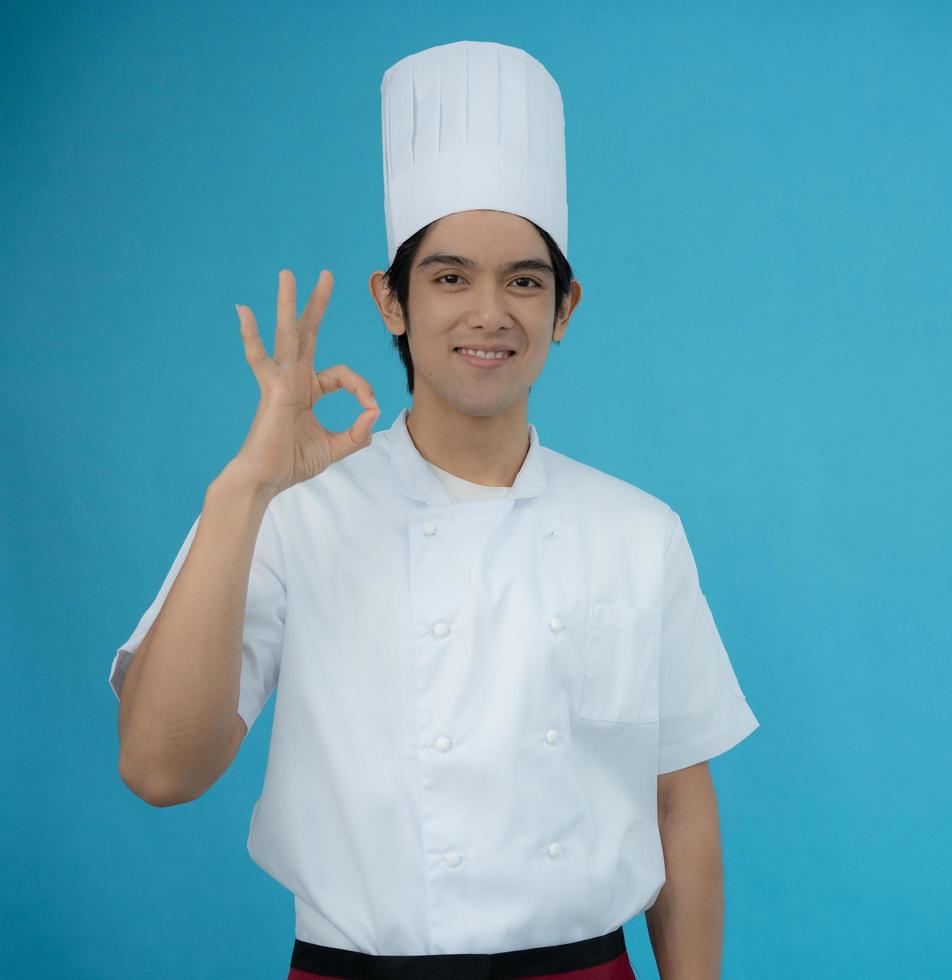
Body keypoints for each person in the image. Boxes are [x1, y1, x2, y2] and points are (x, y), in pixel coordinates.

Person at [109, 40, 758, 979]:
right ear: (393, 301)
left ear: (564, 306)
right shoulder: (294, 512)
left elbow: (680, 806)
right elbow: (160, 771)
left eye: (523, 280)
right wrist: (243, 487)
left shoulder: (638, 531)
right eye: (450, 277)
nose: (488, 313)